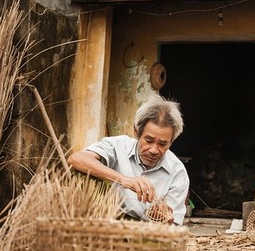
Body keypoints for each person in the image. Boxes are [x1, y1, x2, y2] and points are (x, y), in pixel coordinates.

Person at [67, 94, 189, 225]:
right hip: (105, 221)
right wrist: (123, 179)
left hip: (145, 232)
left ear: (171, 142)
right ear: (136, 132)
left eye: (163, 144)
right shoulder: (117, 146)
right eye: (149, 140)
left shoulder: (177, 172)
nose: (154, 150)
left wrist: (162, 218)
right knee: (81, 174)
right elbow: (76, 159)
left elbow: (173, 225)